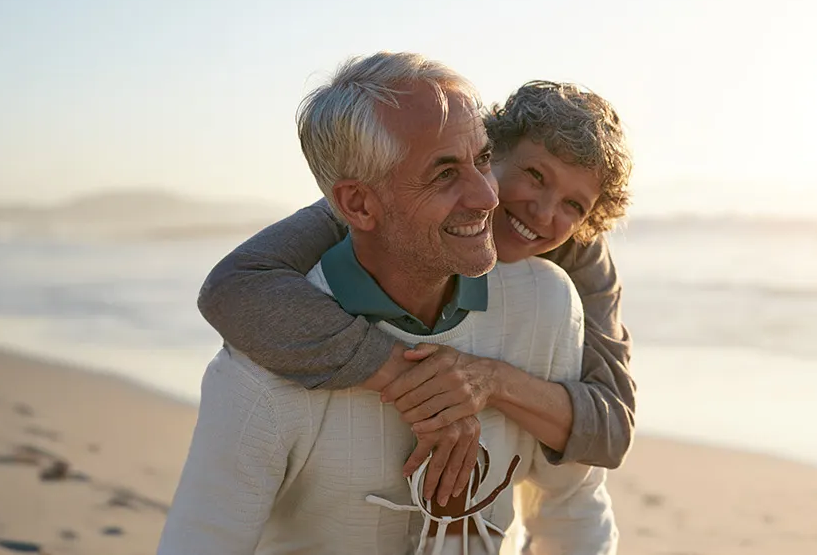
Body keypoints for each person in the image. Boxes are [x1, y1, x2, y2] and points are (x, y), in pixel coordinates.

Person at [159, 52, 615, 554]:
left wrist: (486, 381)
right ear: (356, 204)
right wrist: (417, 384)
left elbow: (577, 498)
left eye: (480, 159)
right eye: (444, 173)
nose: (488, 198)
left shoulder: (549, 301)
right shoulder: (263, 362)